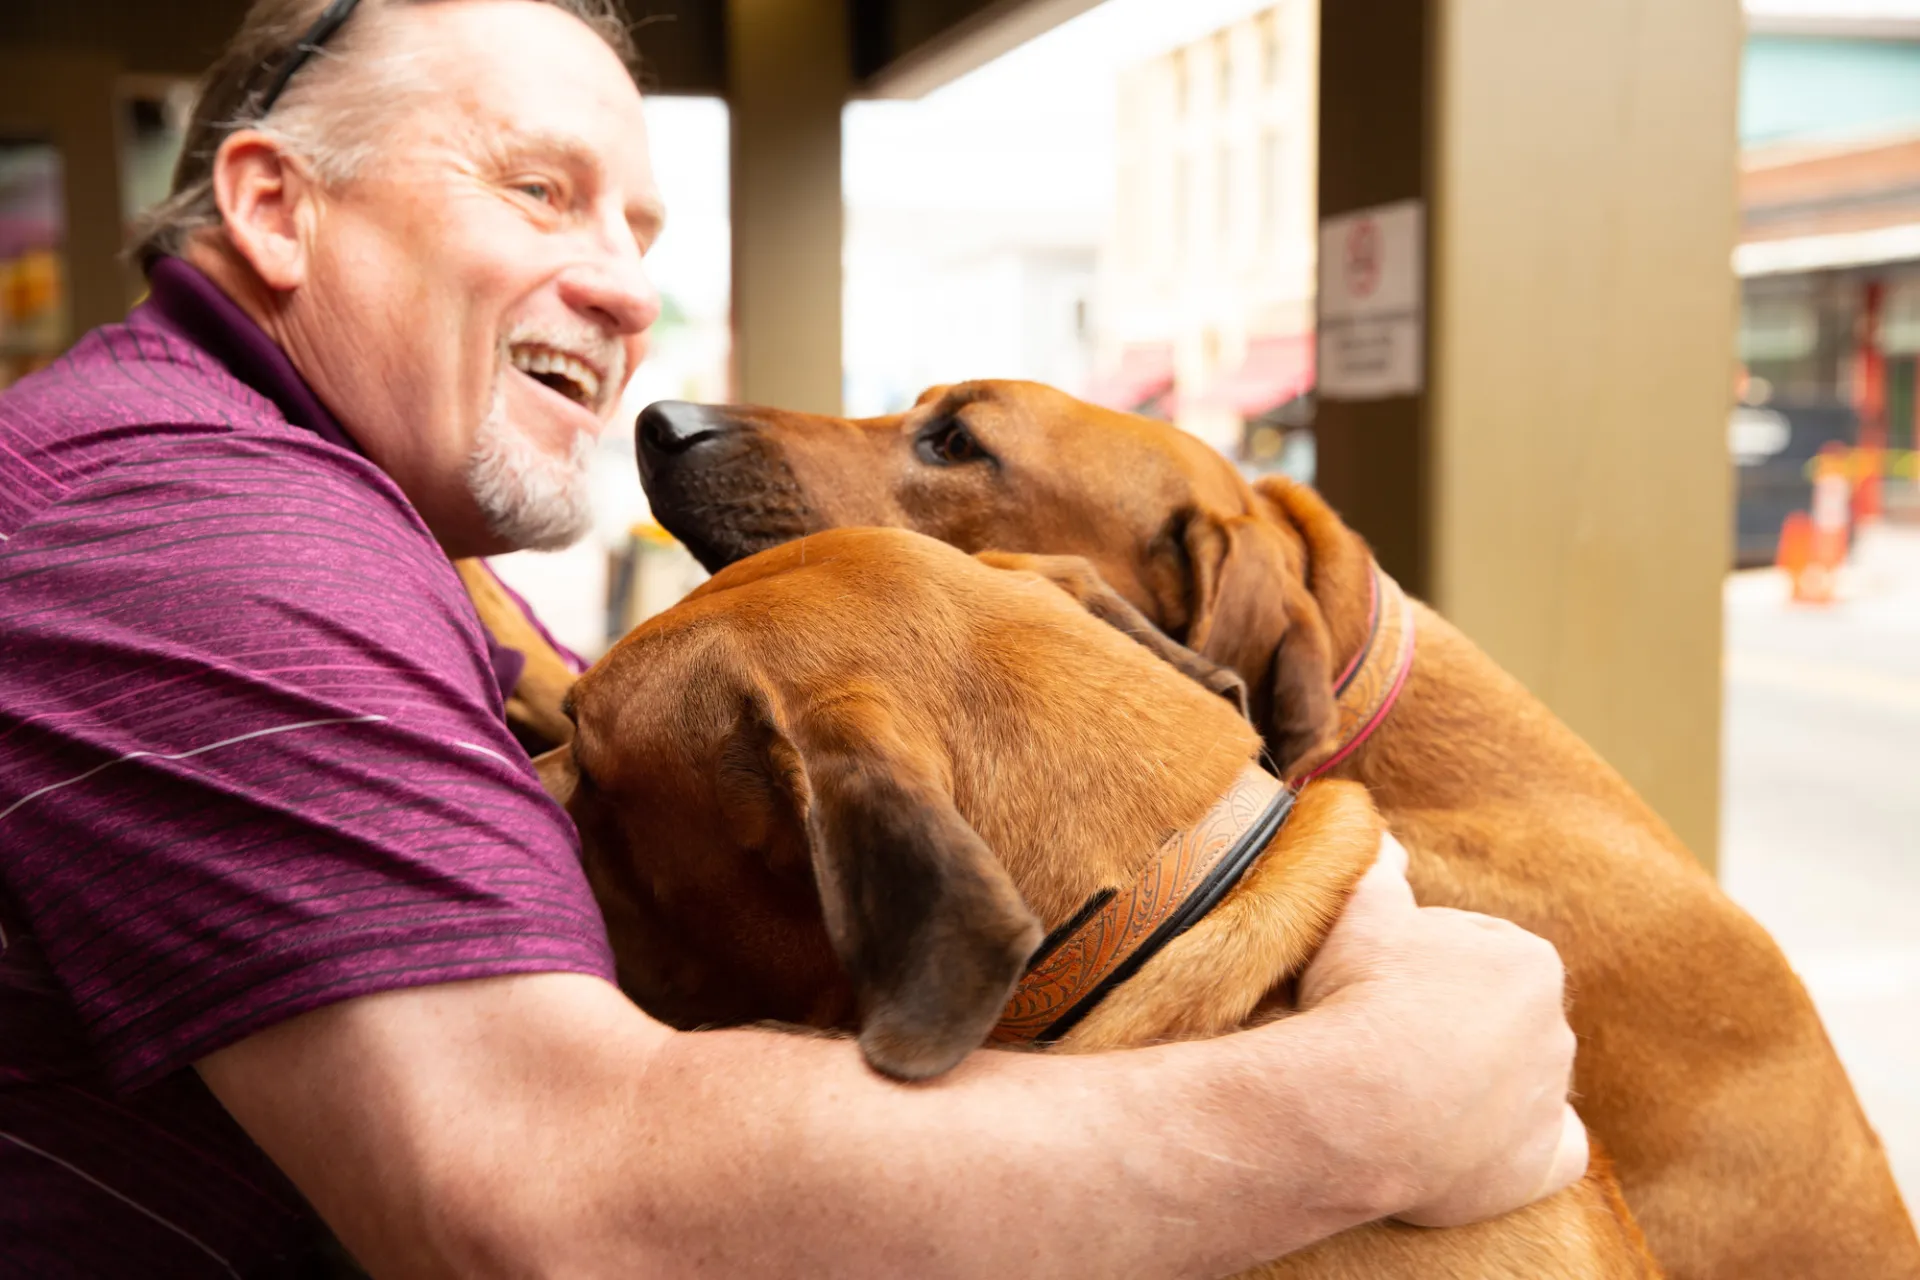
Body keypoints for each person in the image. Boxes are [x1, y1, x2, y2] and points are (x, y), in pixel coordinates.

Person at [0, 1, 1587, 1275]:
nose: (624, 292)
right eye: (540, 190)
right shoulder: (200, 535)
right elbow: (545, 1202)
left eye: (638, 229)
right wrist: (1370, 1112)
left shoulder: (328, 510)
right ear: (275, 207)